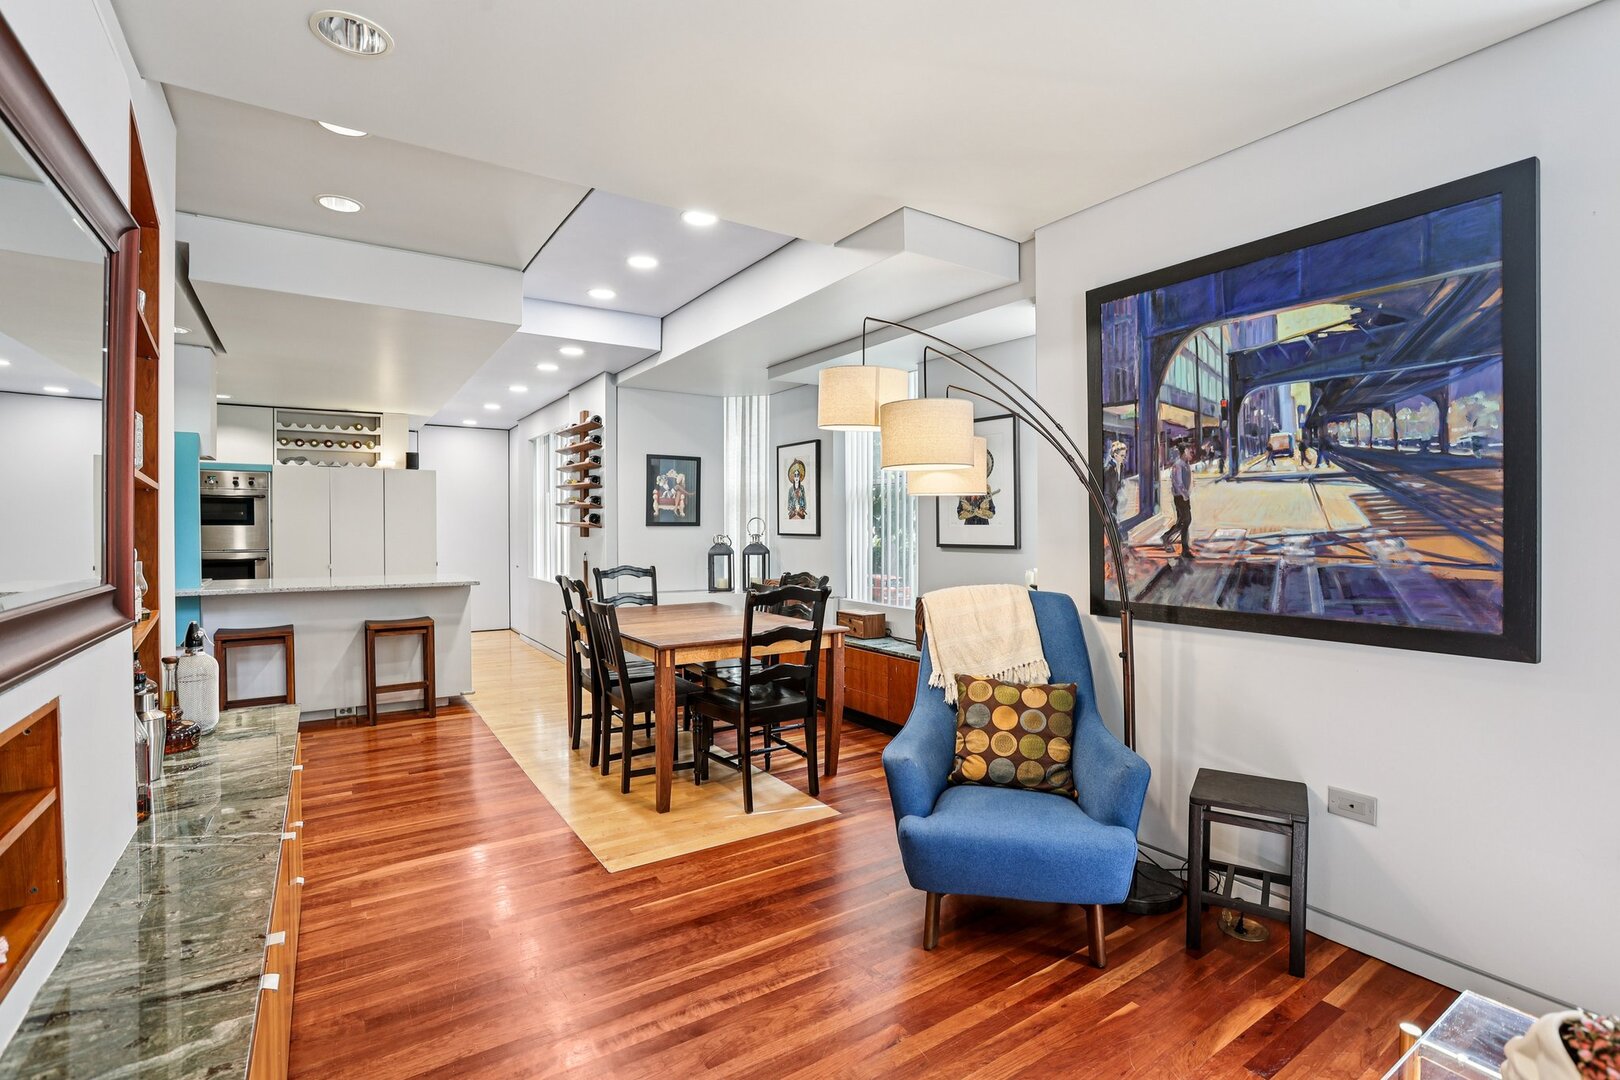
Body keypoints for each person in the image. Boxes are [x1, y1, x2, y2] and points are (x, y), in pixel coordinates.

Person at [1160, 443, 1196, 559]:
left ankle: (1168, 537)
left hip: (1184, 497)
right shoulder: (1178, 465)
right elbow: (1178, 483)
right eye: (1189, 450)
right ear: (1184, 451)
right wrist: (1185, 495)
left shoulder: (1185, 464)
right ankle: (1184, 549)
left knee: (1183, 521)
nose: (1191, 452)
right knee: (1186, 521)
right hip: (1180, 497)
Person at [1102, 442, 1126, 517]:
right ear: (1115, 455)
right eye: (1122, 455)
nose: (1124, 458)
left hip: (1116, 499)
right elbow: (1106, 492)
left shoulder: (1121, 466)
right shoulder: (1109, 469)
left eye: (1124, 455)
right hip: (1109, 501)